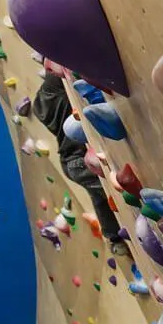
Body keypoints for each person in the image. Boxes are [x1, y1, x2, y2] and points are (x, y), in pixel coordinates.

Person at [31, 63, 127, 248]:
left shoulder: (45, 107)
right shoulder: (60, 93)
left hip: (70, 162)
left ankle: (114, 238)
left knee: (100, 198)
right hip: (81, 159)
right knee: (115, 190)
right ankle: (118, 236)